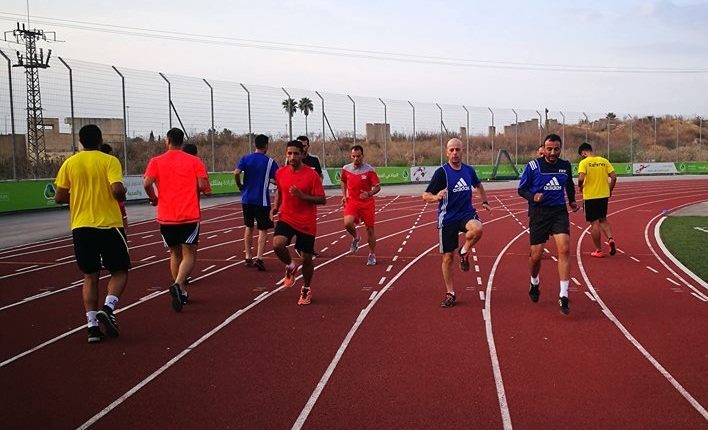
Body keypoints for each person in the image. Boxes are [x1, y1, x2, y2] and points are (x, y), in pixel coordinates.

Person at [54, 124, 129, 343]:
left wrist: (79, 198)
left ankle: (92, 327)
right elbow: (117, 189)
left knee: (90, 276)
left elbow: (59, 197)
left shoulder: (70, 163)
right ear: (100, 140)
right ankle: (108, 307)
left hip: (81, 226)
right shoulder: (109, 161)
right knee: (120, 271)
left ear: (80, 141)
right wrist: (121, 193)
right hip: (109, 225)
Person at [143, 128, 211, 312]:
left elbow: (147, 183)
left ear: (167, 141)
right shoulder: (194, 161)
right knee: (189, 253)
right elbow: (202, 185)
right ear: (182, 141)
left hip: (166, 215)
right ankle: (179, 284)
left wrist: (153, 198)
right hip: (189, 214)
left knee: (174, 253)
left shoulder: (156, 161)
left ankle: (180, 290)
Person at [422, 138, 491, 308]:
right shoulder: (442, 173)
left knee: (478, 229)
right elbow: (425, 195)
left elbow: (479, 185)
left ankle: (464, 250)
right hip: (447, 218)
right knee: (448, 257)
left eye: (457, 150)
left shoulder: (468, 170)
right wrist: (436, 197)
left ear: (462, 151)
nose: (455, 153)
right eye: (451, 150)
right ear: (447, 152)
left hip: (466, 213)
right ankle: (450, 292)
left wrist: (484, 201)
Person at [518, 133, 579, 315]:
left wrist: (572, 201)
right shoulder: (533, 166)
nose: (552, 153)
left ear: (560, 149)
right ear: (543, 149)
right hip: (539, 213)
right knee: (536, 257)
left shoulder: (565, 166)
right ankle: (534, 282)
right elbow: (521, 189)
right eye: (549, 149)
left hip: (559, 212)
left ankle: (564, 295)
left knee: (564, 249)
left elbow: (569, 185)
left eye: (556, 149)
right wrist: (533, 197)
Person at [271, 140, 326, 305]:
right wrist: (275, 206)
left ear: (302, 154)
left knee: (307, 258)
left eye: (296, 153)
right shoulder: (281, 173)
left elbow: (322, 199)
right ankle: (290, 265)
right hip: (286, 217)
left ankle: (306, 289)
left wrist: (302, 196)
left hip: (306, 221)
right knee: (277, 244)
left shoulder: (311, 175)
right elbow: (280, 191)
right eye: (289, 153)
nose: (292, 157)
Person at [234, 134, 278, 271]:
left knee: (248, 227)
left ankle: (248, 256)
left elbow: (236, 172)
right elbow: (276, 179)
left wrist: (239, 185)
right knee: (262, 230)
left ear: (255, 145)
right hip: (262, 200)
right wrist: (270, 181)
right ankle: (259, 258)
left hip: (247, 198)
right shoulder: (270, 162)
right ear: (266, 145)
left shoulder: (245, 158)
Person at [341, 145, 381, 266]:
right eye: (353, 156)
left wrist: (369, 193)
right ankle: (356, 237)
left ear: (362, 156)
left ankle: (372, 255)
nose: (356, 159)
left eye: (358, 156)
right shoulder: (346, 169)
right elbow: (343, 181)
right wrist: (344, 195)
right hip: (352, 202)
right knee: (347, 223)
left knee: (370, 230)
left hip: (367, 203)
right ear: (351, 156)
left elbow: (377, 187)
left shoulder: (369, 170)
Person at [577, 142, 617, 257]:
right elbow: (614, 177)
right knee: (603, 219)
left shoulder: (584, 162)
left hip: (590, 196)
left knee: (594, 223)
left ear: (583, 153)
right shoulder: (604, 161)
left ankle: (598, 250)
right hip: (603, 195)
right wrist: (610, 190)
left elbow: (581, 178)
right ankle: (610, 239)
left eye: (581, 155)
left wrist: (580, 186)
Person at [99, 143, 128, 232]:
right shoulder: (111, 162)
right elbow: (118, 189)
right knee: (122, 218)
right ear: (108, 152)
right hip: (111, 205)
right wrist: (122, 192)